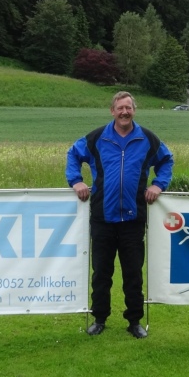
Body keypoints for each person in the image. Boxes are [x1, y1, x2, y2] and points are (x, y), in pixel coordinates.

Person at [66, 91, 173, 339]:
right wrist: (76, 181)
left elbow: (166, 160)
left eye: (128, 108)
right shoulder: (97, 138)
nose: (124, 112)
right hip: (102, 217)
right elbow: (73, 154)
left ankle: (134, 321)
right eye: (120, 108)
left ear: (134, 110)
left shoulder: (147, 139)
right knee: (101, 273)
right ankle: (99, 318)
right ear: (112, 111)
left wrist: (158, 185)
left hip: (133, 219)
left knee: (133, 274)